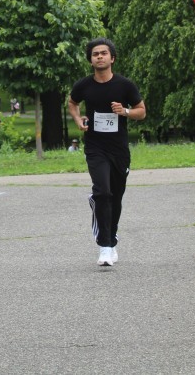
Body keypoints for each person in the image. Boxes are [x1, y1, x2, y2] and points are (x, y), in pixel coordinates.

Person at [68, 38, 146, 267]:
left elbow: (142, 111)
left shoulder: (125, 85)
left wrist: (125, 111)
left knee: (116, 197)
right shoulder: (84, 85)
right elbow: (72, 103)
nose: (99, 56)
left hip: (119, 149)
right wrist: (78, 119)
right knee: (102, 192)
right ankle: (105, 246)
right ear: (90, 60)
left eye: (104, 53)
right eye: (95, 54)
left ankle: (112, 239)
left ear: (112, 58)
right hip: (95, 147)